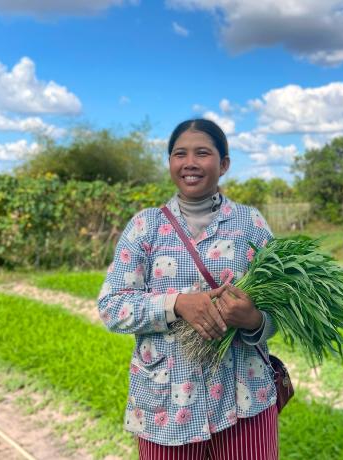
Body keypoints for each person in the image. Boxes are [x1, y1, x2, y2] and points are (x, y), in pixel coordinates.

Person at [97, 119, 279, 459]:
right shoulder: (145, 226)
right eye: (180, 154)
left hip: (245, 400)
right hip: (165, 408)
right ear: (170, 163)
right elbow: (112, 307)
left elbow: (280, 310)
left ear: (223, 164)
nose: (190, 162)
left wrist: (254, 319)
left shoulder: (250, 224)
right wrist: (177, 304)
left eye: (203, 153)